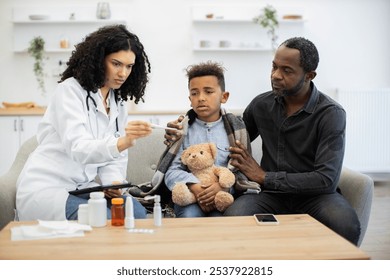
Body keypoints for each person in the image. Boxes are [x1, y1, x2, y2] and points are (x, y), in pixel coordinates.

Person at [165, 37, 360, 245]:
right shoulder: (262, 105)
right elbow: (227, 136)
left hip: (316, 196)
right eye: (274, 67)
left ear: (309, 76)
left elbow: (326, 179)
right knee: (234, 217)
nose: (276, 75)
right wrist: (183, 128)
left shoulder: (331, 114)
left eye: (287, 70)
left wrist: (263, 176)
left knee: (346, 225)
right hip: (270, 196)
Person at [16, 24, 152, 221]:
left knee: (136, 213)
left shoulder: (118, 103)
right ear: (99, 60)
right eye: (116, 63)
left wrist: (113, 183)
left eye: (129, 66)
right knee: (105, 218)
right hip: (48, 186)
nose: (123, 73)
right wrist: (123, 142)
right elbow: (78, 148)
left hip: (83, 188)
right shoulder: (70, 91)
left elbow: (113, 159)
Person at [154, 61, 259, 218]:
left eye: (208, 92)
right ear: (190, 98)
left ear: (224, 97)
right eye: (194, 93)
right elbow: (171, 171)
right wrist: (194, 186)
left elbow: (242, 171)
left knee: (218, 220)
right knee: (190, 216)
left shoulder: (237, 130)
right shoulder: (182, 130)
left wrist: (222, 187)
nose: (201, 98)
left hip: (223, 196)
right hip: (190, 196)